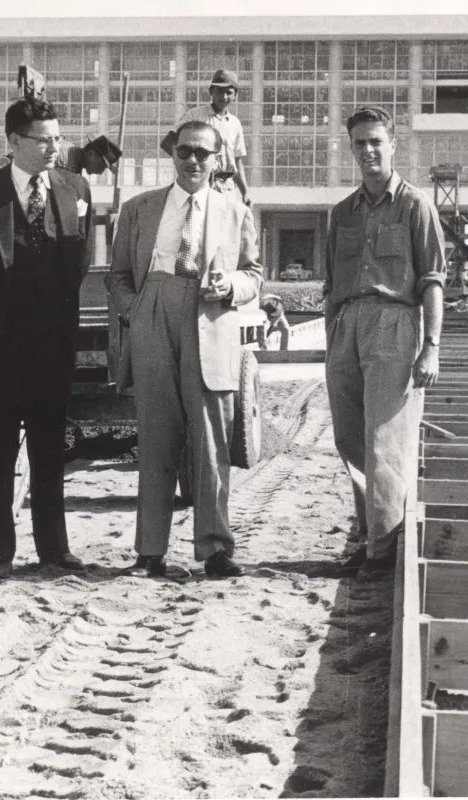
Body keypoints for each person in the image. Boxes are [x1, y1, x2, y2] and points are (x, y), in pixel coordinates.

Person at [106, 120, 263, 579]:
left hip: (211, 318)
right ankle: (150, 552)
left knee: (212, 437)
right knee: (156, 438)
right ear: (171, 154)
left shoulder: (236, 211)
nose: (192, 161)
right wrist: (136, 311)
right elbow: (115, 276)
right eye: (184, 152)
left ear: (219, 160)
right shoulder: (139, 210)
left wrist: (230, 284)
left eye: (202, 153)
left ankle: (215, 550)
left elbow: (254, 274)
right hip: (153, 311)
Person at [0, 97, 93, 580]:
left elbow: (79, 263)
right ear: (13, 142)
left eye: (58, 137)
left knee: (51, 449)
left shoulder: (75, 187)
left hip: (54, 344)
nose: (54, 147)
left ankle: (55, 550)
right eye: (43, 139)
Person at [324, 106, 445, 574]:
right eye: (360, 143)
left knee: (385, 442)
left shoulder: (416, 205)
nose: (369, 150)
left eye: (377, 141)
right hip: (346, 327)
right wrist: (334, 337)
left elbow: (432, 280)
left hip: (395, 325)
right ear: (351, 148)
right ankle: (370, 534)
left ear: (393, 145)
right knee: (350, 438)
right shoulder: (341, 213)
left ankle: (384, 551)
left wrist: (431, 346)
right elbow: (332, 282)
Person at [167, 69, 250, 204]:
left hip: (227, 187)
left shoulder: (235, 123)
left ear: (235, 95)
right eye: (219, 91)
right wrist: (189, 168)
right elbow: (168, 143)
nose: (223, 97)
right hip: (202, 184)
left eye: (229, 93)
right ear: (211, 92)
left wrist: (245, 191)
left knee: (226, 223)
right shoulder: (195, 115)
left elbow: (237, 160)